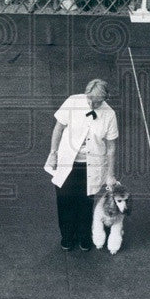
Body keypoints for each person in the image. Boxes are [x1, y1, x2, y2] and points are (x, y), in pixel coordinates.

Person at [45, 79, 118, 251]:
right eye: (90, 99)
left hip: (91, 165)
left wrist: (110, 174)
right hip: (67, 162)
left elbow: (111, 147)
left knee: (85, 203)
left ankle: (85, 236)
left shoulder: (110, 115)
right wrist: (53, 154)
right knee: (64, 200)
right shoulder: (73, 101)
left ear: (105, 98)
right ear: (86, 94)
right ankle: (67, 236)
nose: (93, 103)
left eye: (98, 101)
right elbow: (58, 128)